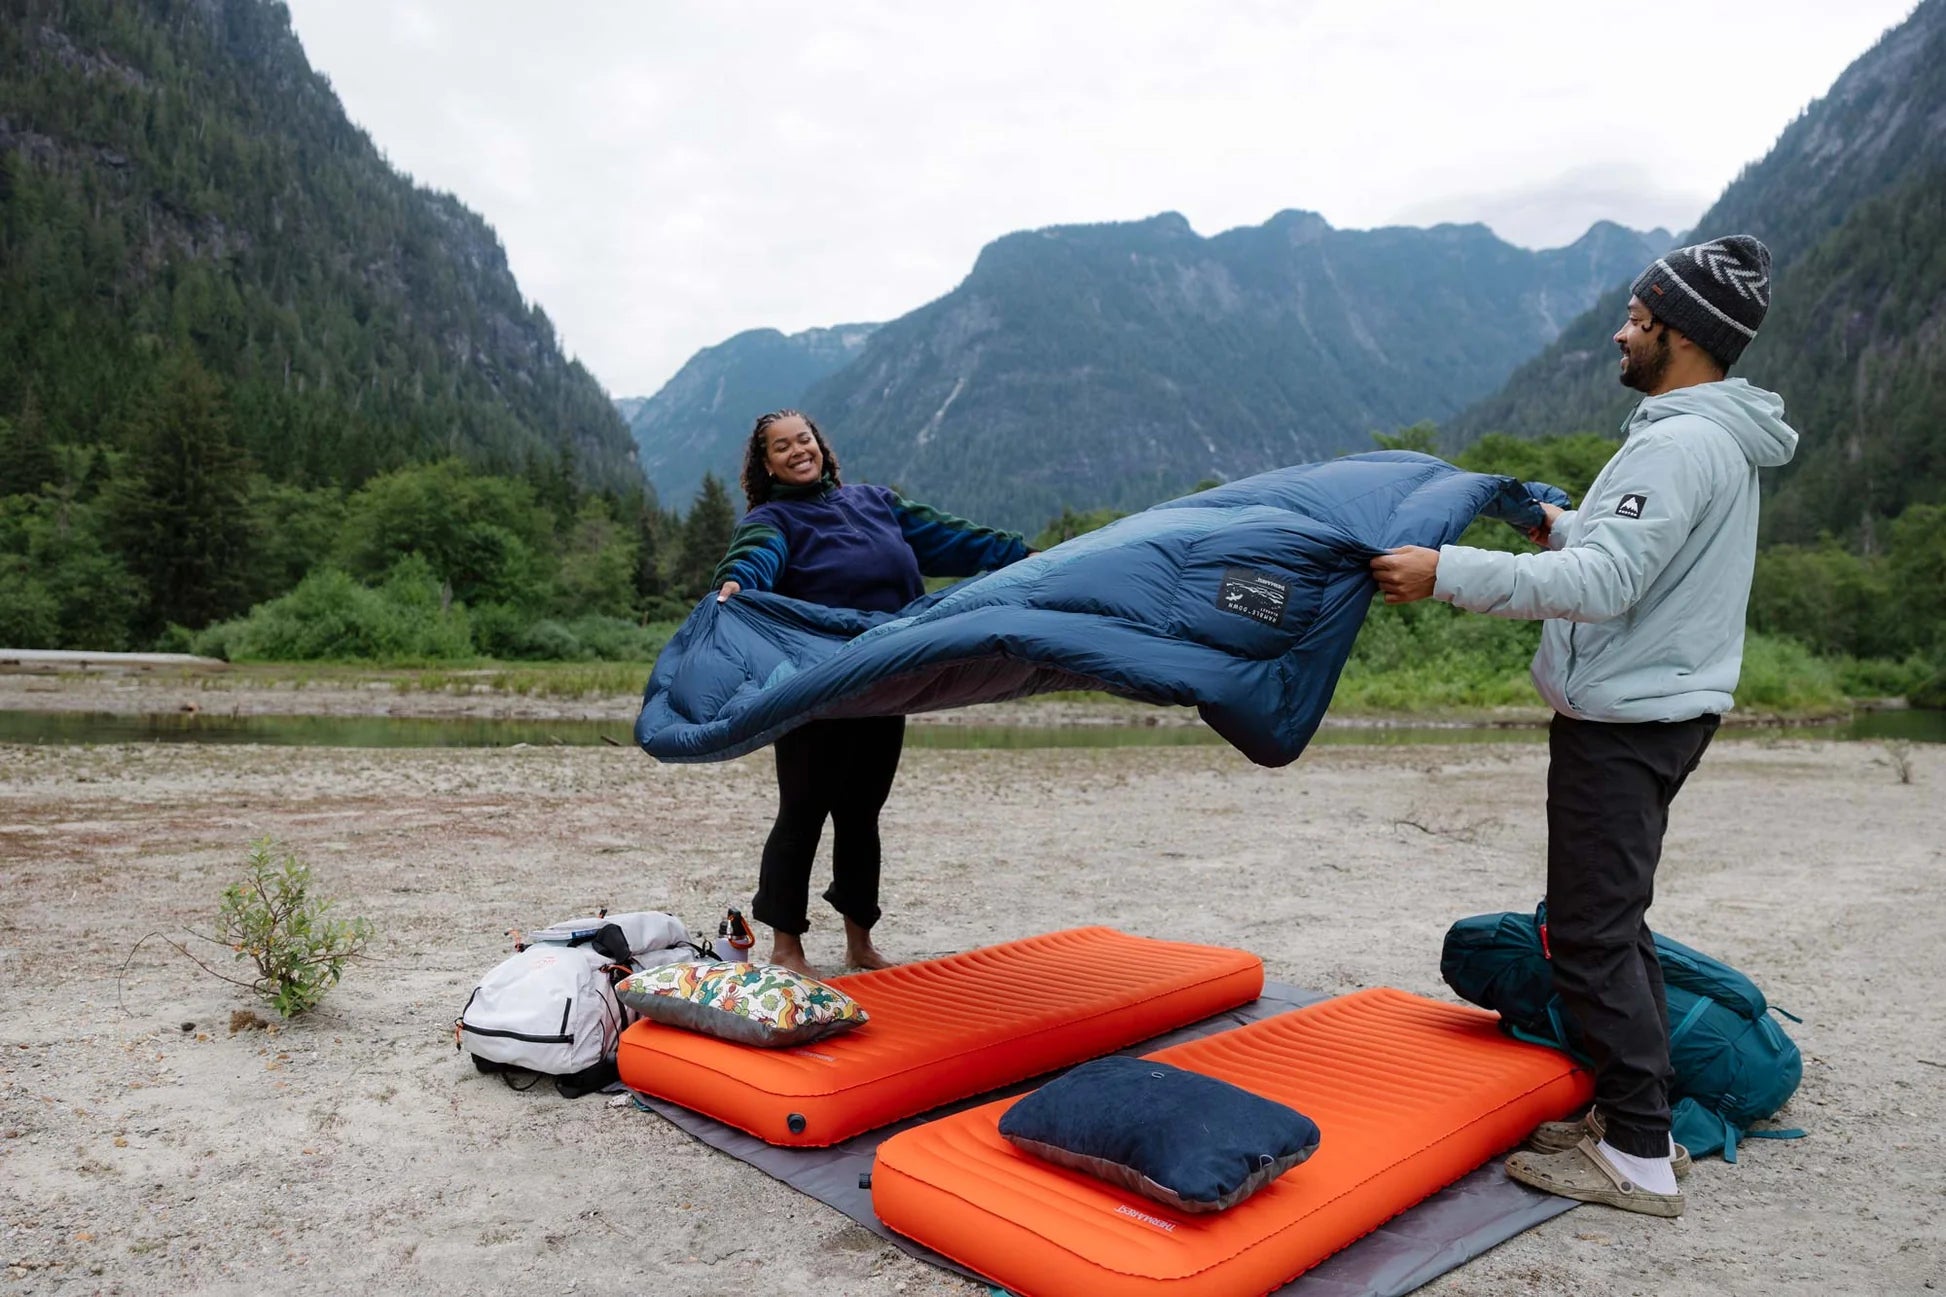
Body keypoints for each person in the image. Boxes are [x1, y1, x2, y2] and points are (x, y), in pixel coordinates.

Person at [1370, 235, 1797, 1218]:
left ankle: (1639, 1153)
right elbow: (1621, 551)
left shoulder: (1680, 443)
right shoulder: (1696, 436)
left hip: (1628, 720)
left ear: (1681, 334)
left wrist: (1445, 574)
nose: (1620, 333)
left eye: (1637, 319)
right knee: (1610, 924)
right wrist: (1551, 525)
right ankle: (1632, 1116)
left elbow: (1605, 585)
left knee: (1589, 936)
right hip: (1649, 709)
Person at [713, 408, 1032, 978]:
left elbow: (953, 537)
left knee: (862, 813)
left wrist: (1022, 555)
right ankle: (786, 948)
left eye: (804, 439)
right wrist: (738, 581)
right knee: (803, 812)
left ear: (820, 446)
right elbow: (756, 556)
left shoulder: (876, 503)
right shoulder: (772, 519)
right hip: (818, 685)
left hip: (886, 677)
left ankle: (859, 943)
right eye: (782, 446)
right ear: (766, 465)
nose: (797, 451)